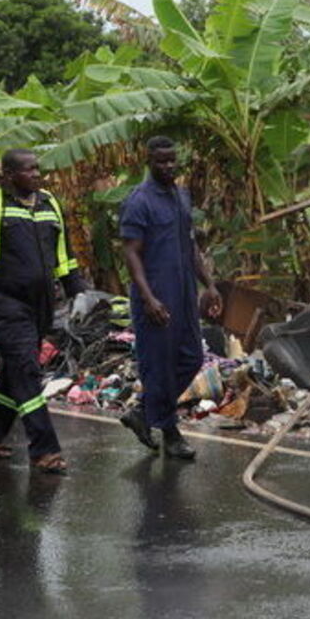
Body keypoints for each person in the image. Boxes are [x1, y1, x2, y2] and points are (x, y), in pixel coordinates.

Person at [0, 148, 87, 473]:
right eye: (29, 170)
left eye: (38, 169)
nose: (37, 175)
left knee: (14, 372)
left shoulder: (49, 203)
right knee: (27, 368)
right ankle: (45, 449)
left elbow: (64, 255)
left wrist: (77, 291)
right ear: (10, 176)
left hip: (41, 302)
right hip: (2, 300)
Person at [118, 137, 221, 460]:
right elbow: (131, 254)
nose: (169, 166)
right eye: (162, 161)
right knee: (159, 367)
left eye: (173, 160)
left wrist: (210, 285)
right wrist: (148, 298)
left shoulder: (181, 195)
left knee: (191, 358)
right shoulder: (139, 201)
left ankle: (143, 413)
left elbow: (191, 247)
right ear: (148, 160)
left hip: (184, 293)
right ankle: (171, 433)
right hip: (155, 295)